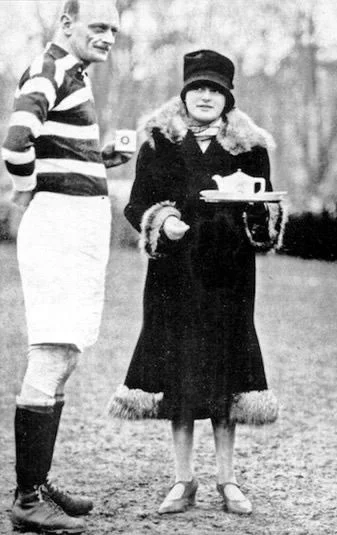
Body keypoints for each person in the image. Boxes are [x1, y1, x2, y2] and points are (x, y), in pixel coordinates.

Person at [108, 49, 283, 516]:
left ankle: (227, 479)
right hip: (174, 273)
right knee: (181, 373)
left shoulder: (250, 146)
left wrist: (258, 212)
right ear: (184, 94)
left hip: (229, 274)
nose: (206, 96)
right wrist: (162, 221)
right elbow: (135, 204)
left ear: (228, 98)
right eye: (197, 88)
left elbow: (266, 209)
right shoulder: (158, 142)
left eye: (215, 90)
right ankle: (183, 479)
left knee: (225, 374)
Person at [2, 1, 133, 533]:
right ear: (66, 24)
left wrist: (98, 159)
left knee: (67, 355)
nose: (107, 37)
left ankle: (38, 480)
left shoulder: (73, 74)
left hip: (76, 229)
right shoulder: (49, 68)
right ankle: (27, 498)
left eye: (113, 30)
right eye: (97, 27)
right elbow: (16, 144)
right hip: (58, 228)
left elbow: (50, 147)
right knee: (51, 353)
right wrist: (24, 192)